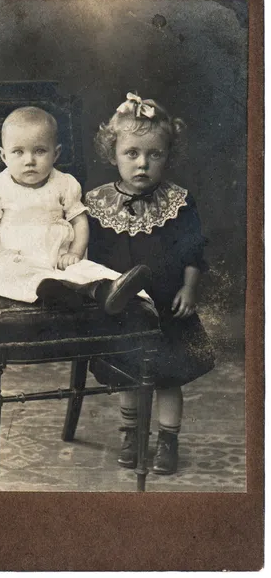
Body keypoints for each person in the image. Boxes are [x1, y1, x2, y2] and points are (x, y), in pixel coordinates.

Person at [85, 92, 215, 475]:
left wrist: (189, 289)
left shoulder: (178, 202)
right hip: (123, 310)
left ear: (167, 156)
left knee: (168, 376)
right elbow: (89, 256)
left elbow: (194, 251)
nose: (142, 163)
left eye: (154, 155)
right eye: (132, 154)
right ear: (114, 155)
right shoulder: (98, 203)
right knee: (128, 372)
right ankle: (132, 434)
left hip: (167, 307)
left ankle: (168, 440)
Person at [0, 105, 154, 315]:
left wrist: (74, 252)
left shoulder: (65, 183)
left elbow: (79, 221)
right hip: (16, 259)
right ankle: (54, 293)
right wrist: (0, 255)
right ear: (4, 155)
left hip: (56, 259)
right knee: (16, 276)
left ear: (55, 153)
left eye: (40, 151)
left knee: (83, 270)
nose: (29, 160)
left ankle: (106, 290)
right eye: (18, 152)